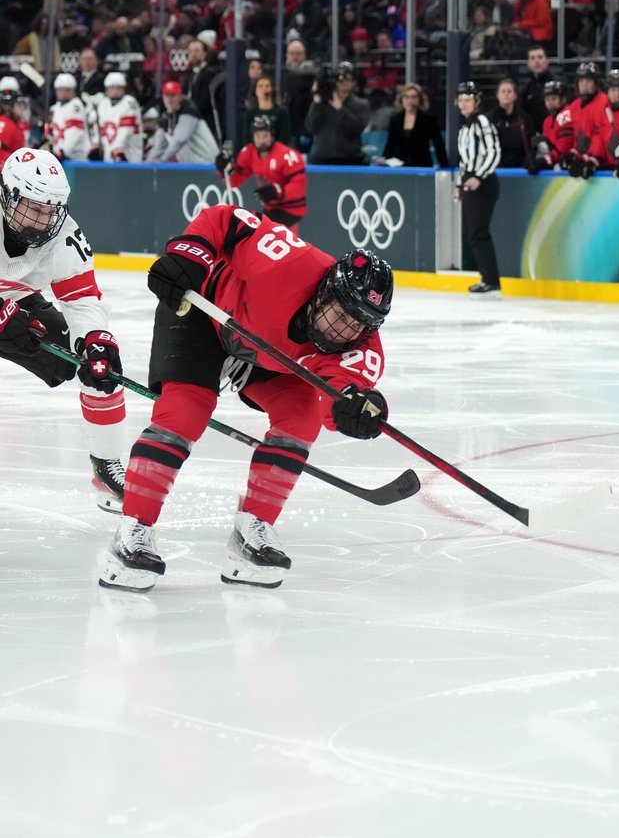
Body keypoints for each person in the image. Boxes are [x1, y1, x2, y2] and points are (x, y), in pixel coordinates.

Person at [99, 207, 393, 593]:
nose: (344, 331)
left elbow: (335, 400)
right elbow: (226, 220)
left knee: (301, 417)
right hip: (203, 311)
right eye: (341, 314)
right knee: (186, 411)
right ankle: (133, 529)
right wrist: (190, 256)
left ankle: (252, 531)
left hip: (264, 353)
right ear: (325, 291)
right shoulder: (288, 262)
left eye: (360, 323)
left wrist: (354, 410)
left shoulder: (358, 348)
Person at [0, 148, 128, 512]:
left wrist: (95, 343)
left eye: (50, 211)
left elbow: (83, 299)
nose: (44, 221)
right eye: (35, 208)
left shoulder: (63, 236)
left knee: (97, 365)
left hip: (15, 298)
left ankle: (105, 464)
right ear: (9, 195)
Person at [215, 115, 307, 228]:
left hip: (292, 209)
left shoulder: (287, 156)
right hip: (271, 208)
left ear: (272, 136)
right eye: (258, 136)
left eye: (265, 136)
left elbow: (299, 186)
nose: (262, 140)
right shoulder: (248, 153)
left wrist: (278, 191)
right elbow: (234, 181)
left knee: (265, 232)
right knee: (257, 232)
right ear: (252, 137)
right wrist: (223, 169)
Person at [454, 82, 502, 296]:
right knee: (473, 234)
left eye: (468, 99)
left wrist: (479, 177)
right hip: (471, 183)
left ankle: (491, 282)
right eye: (461, 100)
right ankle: (487, 279)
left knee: (479, 233)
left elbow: (494, 152)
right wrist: (459, 184)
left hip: (484, 184)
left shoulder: (482, 122)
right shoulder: (465, 127)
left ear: (477, 101)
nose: (463, 104)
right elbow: (464, 161)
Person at [573, 70, 619, 178]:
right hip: (610, 166)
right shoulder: (602, 109)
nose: (617, 94)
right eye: (613, 90)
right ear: (607, 92)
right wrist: (594, 159)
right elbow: (599, 137)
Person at [307, 62, 371, 165]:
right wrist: (317, 101)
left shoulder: (361, 105)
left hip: (350, 160)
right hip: (321, 159)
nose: (343, 82)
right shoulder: (321, 104)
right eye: (340, 78)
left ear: (354, 82)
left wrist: (340, 108)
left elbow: (356, 128)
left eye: (347, 78)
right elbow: (311, 128)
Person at [148, 81, 220, 164]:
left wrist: (162, 160)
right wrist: (148, 166)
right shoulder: (166, 117)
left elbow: (179, 140)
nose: (169, 100)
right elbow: (159, 147)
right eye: (166, 95)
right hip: (191, 167)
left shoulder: (188, 111)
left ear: (180, 96)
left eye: (173, 95)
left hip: (209, 164)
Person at [380, 82, 448, 168]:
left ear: (419, 99)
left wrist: (444, 166)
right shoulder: (395, 119)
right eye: (406, 97)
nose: (410, 100)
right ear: (402, 99)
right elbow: (390, 143)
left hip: (422, 166)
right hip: (400, 167)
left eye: (413, 97)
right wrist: (384, 158)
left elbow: (438, 144)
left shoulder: (428, 119)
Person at [556, 63, 603, 173]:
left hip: (600, 163)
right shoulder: (574, 106)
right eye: (581, 81)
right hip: (582, 160)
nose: (584, 85)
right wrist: (572, 153)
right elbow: (571, 136)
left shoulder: (604, 103)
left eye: (588, 81)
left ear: (596, 83)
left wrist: (590, 157)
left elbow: (601, 136)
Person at [488, 78, 535, 169]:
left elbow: (531, 143)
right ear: (497, 95)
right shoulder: (489, 118)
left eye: (509, 91)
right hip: (496, 168)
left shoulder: (524, 118)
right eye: (503, 91)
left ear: (515, 95)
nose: (506, 94)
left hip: (521, 169)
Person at [95, 72, 142, 162]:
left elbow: (126, 130)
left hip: (129, 154)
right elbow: (101, 129)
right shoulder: (103, 104)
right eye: (112, 88)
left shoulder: (130, 102)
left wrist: (117, 149)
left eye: (118, 88)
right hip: (109, 154)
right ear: (106, 89)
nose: (115, 91)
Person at [46, 73, 94, 161]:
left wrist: (63, 151)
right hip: (60, 157)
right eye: (60, 90)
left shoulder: (75, 106)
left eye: (66, 90)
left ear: (73, 90)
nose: (63, 93)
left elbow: (75, 133)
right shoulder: (55, 108)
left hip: (76, 158)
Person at [241, 75, 293, 148]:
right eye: (260, 86)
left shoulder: (281, 112)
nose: (264, 89)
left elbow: (284, 138)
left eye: (267, 86)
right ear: (255, 91)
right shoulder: (249, 114)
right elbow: (246, 139)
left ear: (272, 89)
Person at [528, 81, 569, 172]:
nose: (550, 103)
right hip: (556, 163)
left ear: (562, 99)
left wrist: (545, 161)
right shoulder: (547, 121)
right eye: (547, 99)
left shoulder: (567, 116)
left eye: (554, 99)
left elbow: (564, 148)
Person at [518, 44, 556, 130]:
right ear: (528, 63)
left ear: (547, 60)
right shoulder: (525, 89)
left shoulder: (557, 84)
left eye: (540, 57)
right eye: (533, 58)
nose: (537, 61)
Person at [0, 79, 26, 166]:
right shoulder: (5, 124)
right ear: (9, 107)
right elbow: (2, 152)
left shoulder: (13, 123)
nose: (22, 108)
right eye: (18, 105)